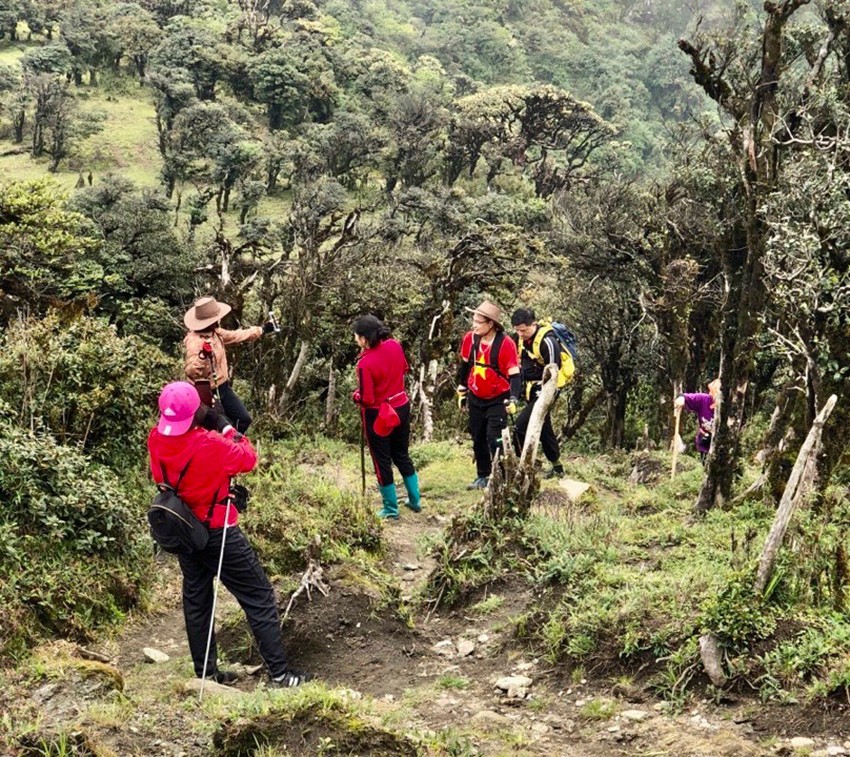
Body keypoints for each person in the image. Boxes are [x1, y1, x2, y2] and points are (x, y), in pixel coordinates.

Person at [147, 381, 311, 688]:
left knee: (197, 600)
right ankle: (280, 674)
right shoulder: (209, 443)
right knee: (258, 595)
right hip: (218, 530)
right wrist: (224, 426)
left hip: (184, 530)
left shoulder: (156, 439)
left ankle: (206, 674)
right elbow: (248, 457)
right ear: (197, 412)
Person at [351, 315, 420, 520]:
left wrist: (356, 395)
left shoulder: (365, 363)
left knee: (382, 460)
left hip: (379, 414)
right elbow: (404, 370)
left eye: (356, 336)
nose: (355, 339)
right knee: (401, 454)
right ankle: (415, 499)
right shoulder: (395, 346)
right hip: (401, 405)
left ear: (364, 339)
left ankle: (390, 508)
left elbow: (367, 398)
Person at [183, 296, 276, 433]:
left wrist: (262, 329)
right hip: (206, 393)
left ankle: (233, 445)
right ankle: (224, 448)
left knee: (243, 420)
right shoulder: (194, 341)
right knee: (215, 427)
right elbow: (191, 370)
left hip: (223, 388)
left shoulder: (215, 333)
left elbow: (236, 336)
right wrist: (202, 356)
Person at [456, 300, 521, 490]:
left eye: (478, 322)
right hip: (475, 395)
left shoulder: (505, 343)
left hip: (498, 398)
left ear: (490, 324)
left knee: (495, 438)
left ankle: (500, 475)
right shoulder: (470, 338)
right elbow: (465, 366)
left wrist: (514, 399)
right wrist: (462, 389)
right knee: (477, 437)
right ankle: (482, 476)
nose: (474, 325)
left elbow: (514, 375)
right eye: (473, 320)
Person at [510, 308, 565, 478]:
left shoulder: (547, 341)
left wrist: (545, 396)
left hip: (547, 390)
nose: (521, 334)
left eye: (524, 330)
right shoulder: (519, 340)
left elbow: (553, 371)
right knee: (544, 427)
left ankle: (522, 466)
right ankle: (557, 467)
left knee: (520, 426)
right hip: (529, 389)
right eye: (517, 330)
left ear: (533, 324)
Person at [674, 378, 721, 463]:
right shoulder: (704, 399)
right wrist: (681, 398)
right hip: (704, 443)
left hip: (720, 445)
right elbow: (685, 396)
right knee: (705, 467)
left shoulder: (728, 408)